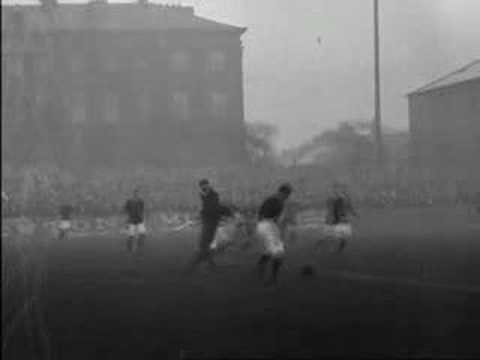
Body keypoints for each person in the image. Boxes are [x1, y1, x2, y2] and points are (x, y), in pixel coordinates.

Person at [186, 179, 229, 273]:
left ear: (208, 185)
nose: (204, 187)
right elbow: (210, 208)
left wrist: (225, 213)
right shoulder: (205, 196)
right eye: (202, 186)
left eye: (205, 185)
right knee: (205, 244)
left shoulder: (212, 196)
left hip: (211, 223)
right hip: (209, 222)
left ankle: (192, 266)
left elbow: (214, 208)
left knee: (204, 245)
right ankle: (210, 264)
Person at [255, 183, 293, 286]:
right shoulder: (274, 201)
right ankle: (272, 278)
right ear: (282, 192)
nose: (287, 197)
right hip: (267, 226)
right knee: (278, 253)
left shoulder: (276, 201)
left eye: (288, 196)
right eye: (287, 195)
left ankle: (260, 270)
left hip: (266, 226)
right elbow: (265, 216)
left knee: (269, 252)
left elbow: (262, 216)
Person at [323, 182, 357, 253]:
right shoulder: (334, 198)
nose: (344, 190)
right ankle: (332, 248)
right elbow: (331, 207)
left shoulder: (345, 197)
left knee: (343, 237)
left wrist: (354, 213)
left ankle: (338, 249)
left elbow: (349, 207)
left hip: (341, 219)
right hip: (337, 219)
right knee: (334, 236)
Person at [124, 189, 147, 255]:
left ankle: (139, 247)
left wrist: (143, 217)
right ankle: (129, 249)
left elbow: (142, 210)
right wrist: (127, 218)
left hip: (139, 220)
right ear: (133, 194)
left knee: (142, 234)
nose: (136, 194)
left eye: (137, 193)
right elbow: (126, 209)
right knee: (131, 236)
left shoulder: (141, 201)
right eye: (135, 193)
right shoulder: (129, 201)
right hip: (132, 220)